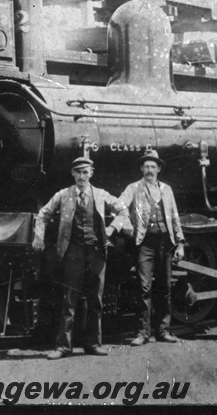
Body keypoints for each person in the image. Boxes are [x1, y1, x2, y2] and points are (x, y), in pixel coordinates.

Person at [32, 156, 130, 359]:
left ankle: (93, 344)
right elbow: (42, 214)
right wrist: (38, 236)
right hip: (73, 253)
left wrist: (113, 228)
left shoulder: (101, 195)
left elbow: (123, 210)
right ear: (72, 174)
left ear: (91, 174)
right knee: (69, 300)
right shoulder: (63, 195)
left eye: (85, 172)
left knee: (96, 300)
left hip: (96, 252)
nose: (82, 176)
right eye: (78, 172)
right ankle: (63, 347)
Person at [119, 149, 186, 346]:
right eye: (146, 166)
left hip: (165, 243)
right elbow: (120, 204)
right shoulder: (133, 188)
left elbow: (174, 217)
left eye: (153, 167)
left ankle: (163, 331)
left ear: (159, 169)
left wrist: (180, 244)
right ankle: (142, 333)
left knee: (164, 287)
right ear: (141, 168)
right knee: (144, 287)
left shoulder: (167, 189)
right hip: (145, 244)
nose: (149, 170)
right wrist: (126, 222)